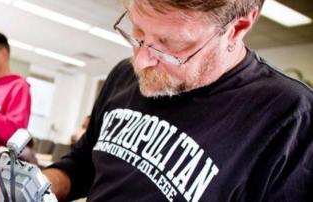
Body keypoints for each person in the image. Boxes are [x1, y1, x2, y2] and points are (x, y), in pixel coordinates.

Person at [43, 0, 313, 201]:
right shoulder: (125, 75)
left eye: (169, 44)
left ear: (236, 28)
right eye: (138, 33)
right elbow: (84, 166)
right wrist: (35, 187)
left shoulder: (292, 118)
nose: (142, 60)